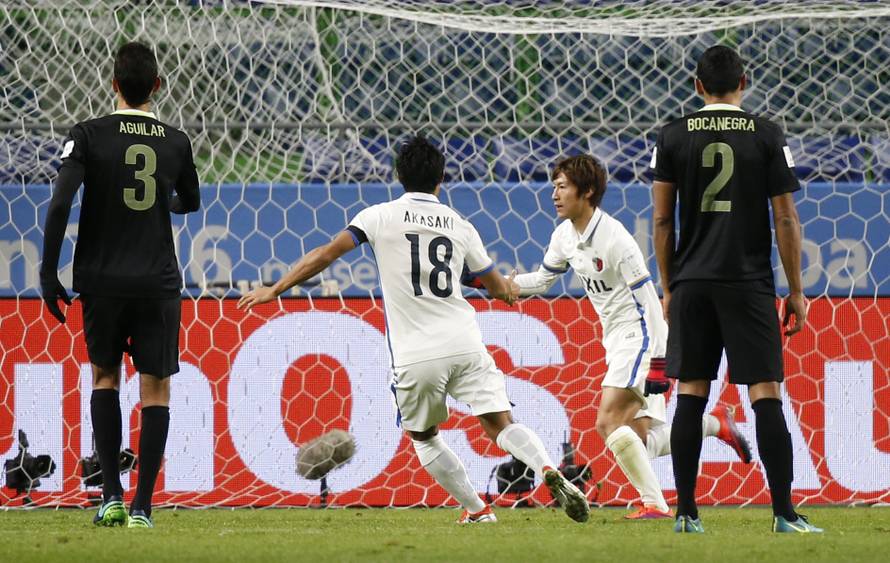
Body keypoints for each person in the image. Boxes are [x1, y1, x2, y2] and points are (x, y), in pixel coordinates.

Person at [238, 136, 590, 524]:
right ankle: (546, 469)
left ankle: (477, 510)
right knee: (500, 422)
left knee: (423, 436)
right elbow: (496, 287)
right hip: (465, 342)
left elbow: (326, 253)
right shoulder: (460, 224)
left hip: (416, 354)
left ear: (398, 176)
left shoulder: (378, 216)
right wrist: (513, 287)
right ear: (442, 178)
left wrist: (275, 288)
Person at [510, 155, 750, 520]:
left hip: (639, 337)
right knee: (638, 440)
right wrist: (500, 285)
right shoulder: (564, 236)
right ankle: (715, 423)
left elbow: (649, 302)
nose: (554, 195)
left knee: (608, 423)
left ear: (587, 191)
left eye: (562, 187)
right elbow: (543, 280)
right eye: (554, 187)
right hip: (615, 339)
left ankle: (653, 503)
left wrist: (657, 359)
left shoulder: (616, 240)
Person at [651, 45, 822, 533]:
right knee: (765, 393)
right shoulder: (767, 134)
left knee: (691, 393)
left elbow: (663, 219)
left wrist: (669, 286)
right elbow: (785, 216)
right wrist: (795, 290)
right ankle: (785, 515)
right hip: (748, 281)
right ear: (743, 82)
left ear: (697, 85)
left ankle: (685, 513)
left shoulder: (672, 135)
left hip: (692, 282)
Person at [40, 41, 200, 529]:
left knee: (104, 378)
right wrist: (158, 206)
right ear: (157, 85)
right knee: (156, 388)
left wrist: (49, 271)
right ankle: (143, 509)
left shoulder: (88, 134)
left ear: (113, 84)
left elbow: (62, 201)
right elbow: (190, 201)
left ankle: (110, 494)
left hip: (102, 281)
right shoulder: (176, 142)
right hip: (156, 282)